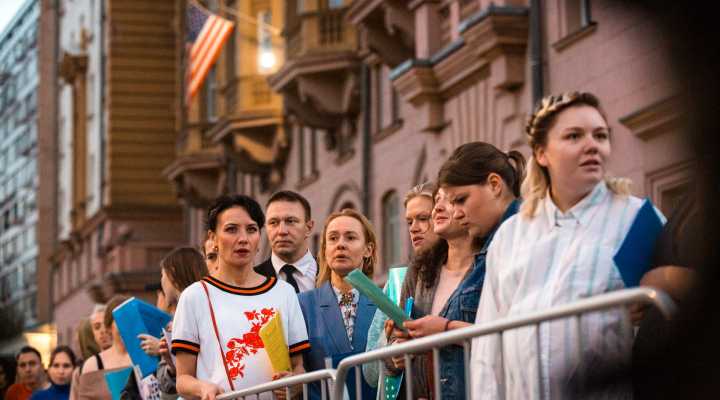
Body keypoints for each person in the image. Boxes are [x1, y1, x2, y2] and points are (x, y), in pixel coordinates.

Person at [470, 92, 663, 399]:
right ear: (542, 153)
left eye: (600, 135)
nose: (592, 145)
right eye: (574, 136)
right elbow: (487, 346)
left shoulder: (638, 220)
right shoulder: (510, 235)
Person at [172, 195, 310, 400]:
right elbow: (183, 378)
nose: (243, 239)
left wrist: (293, 382)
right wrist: (202, 388)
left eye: (251, 230)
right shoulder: (195, 296)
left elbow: (299, 366)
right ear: (213, 238)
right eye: (231, 229)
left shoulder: (284, 292)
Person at [363, 182, 440, 393]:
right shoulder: (397, 282)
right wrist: (391, 350)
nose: (414, 228)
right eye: (409, 221)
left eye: (423, 218)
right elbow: (369, 372)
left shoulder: (460, 270)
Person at [298, 209, 378, 400]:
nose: (340, 244)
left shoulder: (385, 303)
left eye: (350, 237)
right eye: (333, 238)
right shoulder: (302, 305)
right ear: (325, 250)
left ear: (368, 249)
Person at [254, 191, 317, 293]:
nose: (282, 231)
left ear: (309, 228)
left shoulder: (333, 274)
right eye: (273, 223)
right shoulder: (251, 281)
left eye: (290, 221)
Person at [71, 295, 132, 400]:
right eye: (119, 319)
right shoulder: (92, 365)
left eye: (129, 319)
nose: (125, 324)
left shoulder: (146, 355)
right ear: (109, 327)